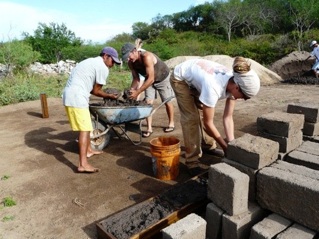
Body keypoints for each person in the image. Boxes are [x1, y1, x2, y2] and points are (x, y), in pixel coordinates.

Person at [170, 57, 260, 173]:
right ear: (237, 87)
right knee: (192, 119)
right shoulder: (214, 87)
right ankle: (192, 162)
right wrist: (224, 146)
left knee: (203, 111)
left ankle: (208, 146)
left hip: (196, 78)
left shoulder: (235, 82)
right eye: (245, 97)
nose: (243, 99)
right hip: (180, 78)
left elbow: (228, 117)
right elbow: (209, 123)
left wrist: (231, 144)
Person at [62, 47, 121, 173]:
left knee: (87, 125)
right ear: (106, 56)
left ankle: (89, 150)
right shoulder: (102, 67)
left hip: (70, 94)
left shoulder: (90, 61)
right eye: (113, 61)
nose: (113, 65)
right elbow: (96, 91)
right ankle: (82, 164)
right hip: (78, 97)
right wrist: (109, 96)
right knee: (85, 129)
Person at [121, 39, 175, 138]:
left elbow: (151, 78)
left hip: (162, 77)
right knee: (147, 103)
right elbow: (136, 79)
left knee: (167, 101)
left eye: (128, 56)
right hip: (148, 80)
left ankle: (171, 123)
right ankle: (149, 128)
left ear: (134, 51)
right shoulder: (131, 63)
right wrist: (131, 90)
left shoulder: (146, 57)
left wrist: (138, 92)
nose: (128, 59)